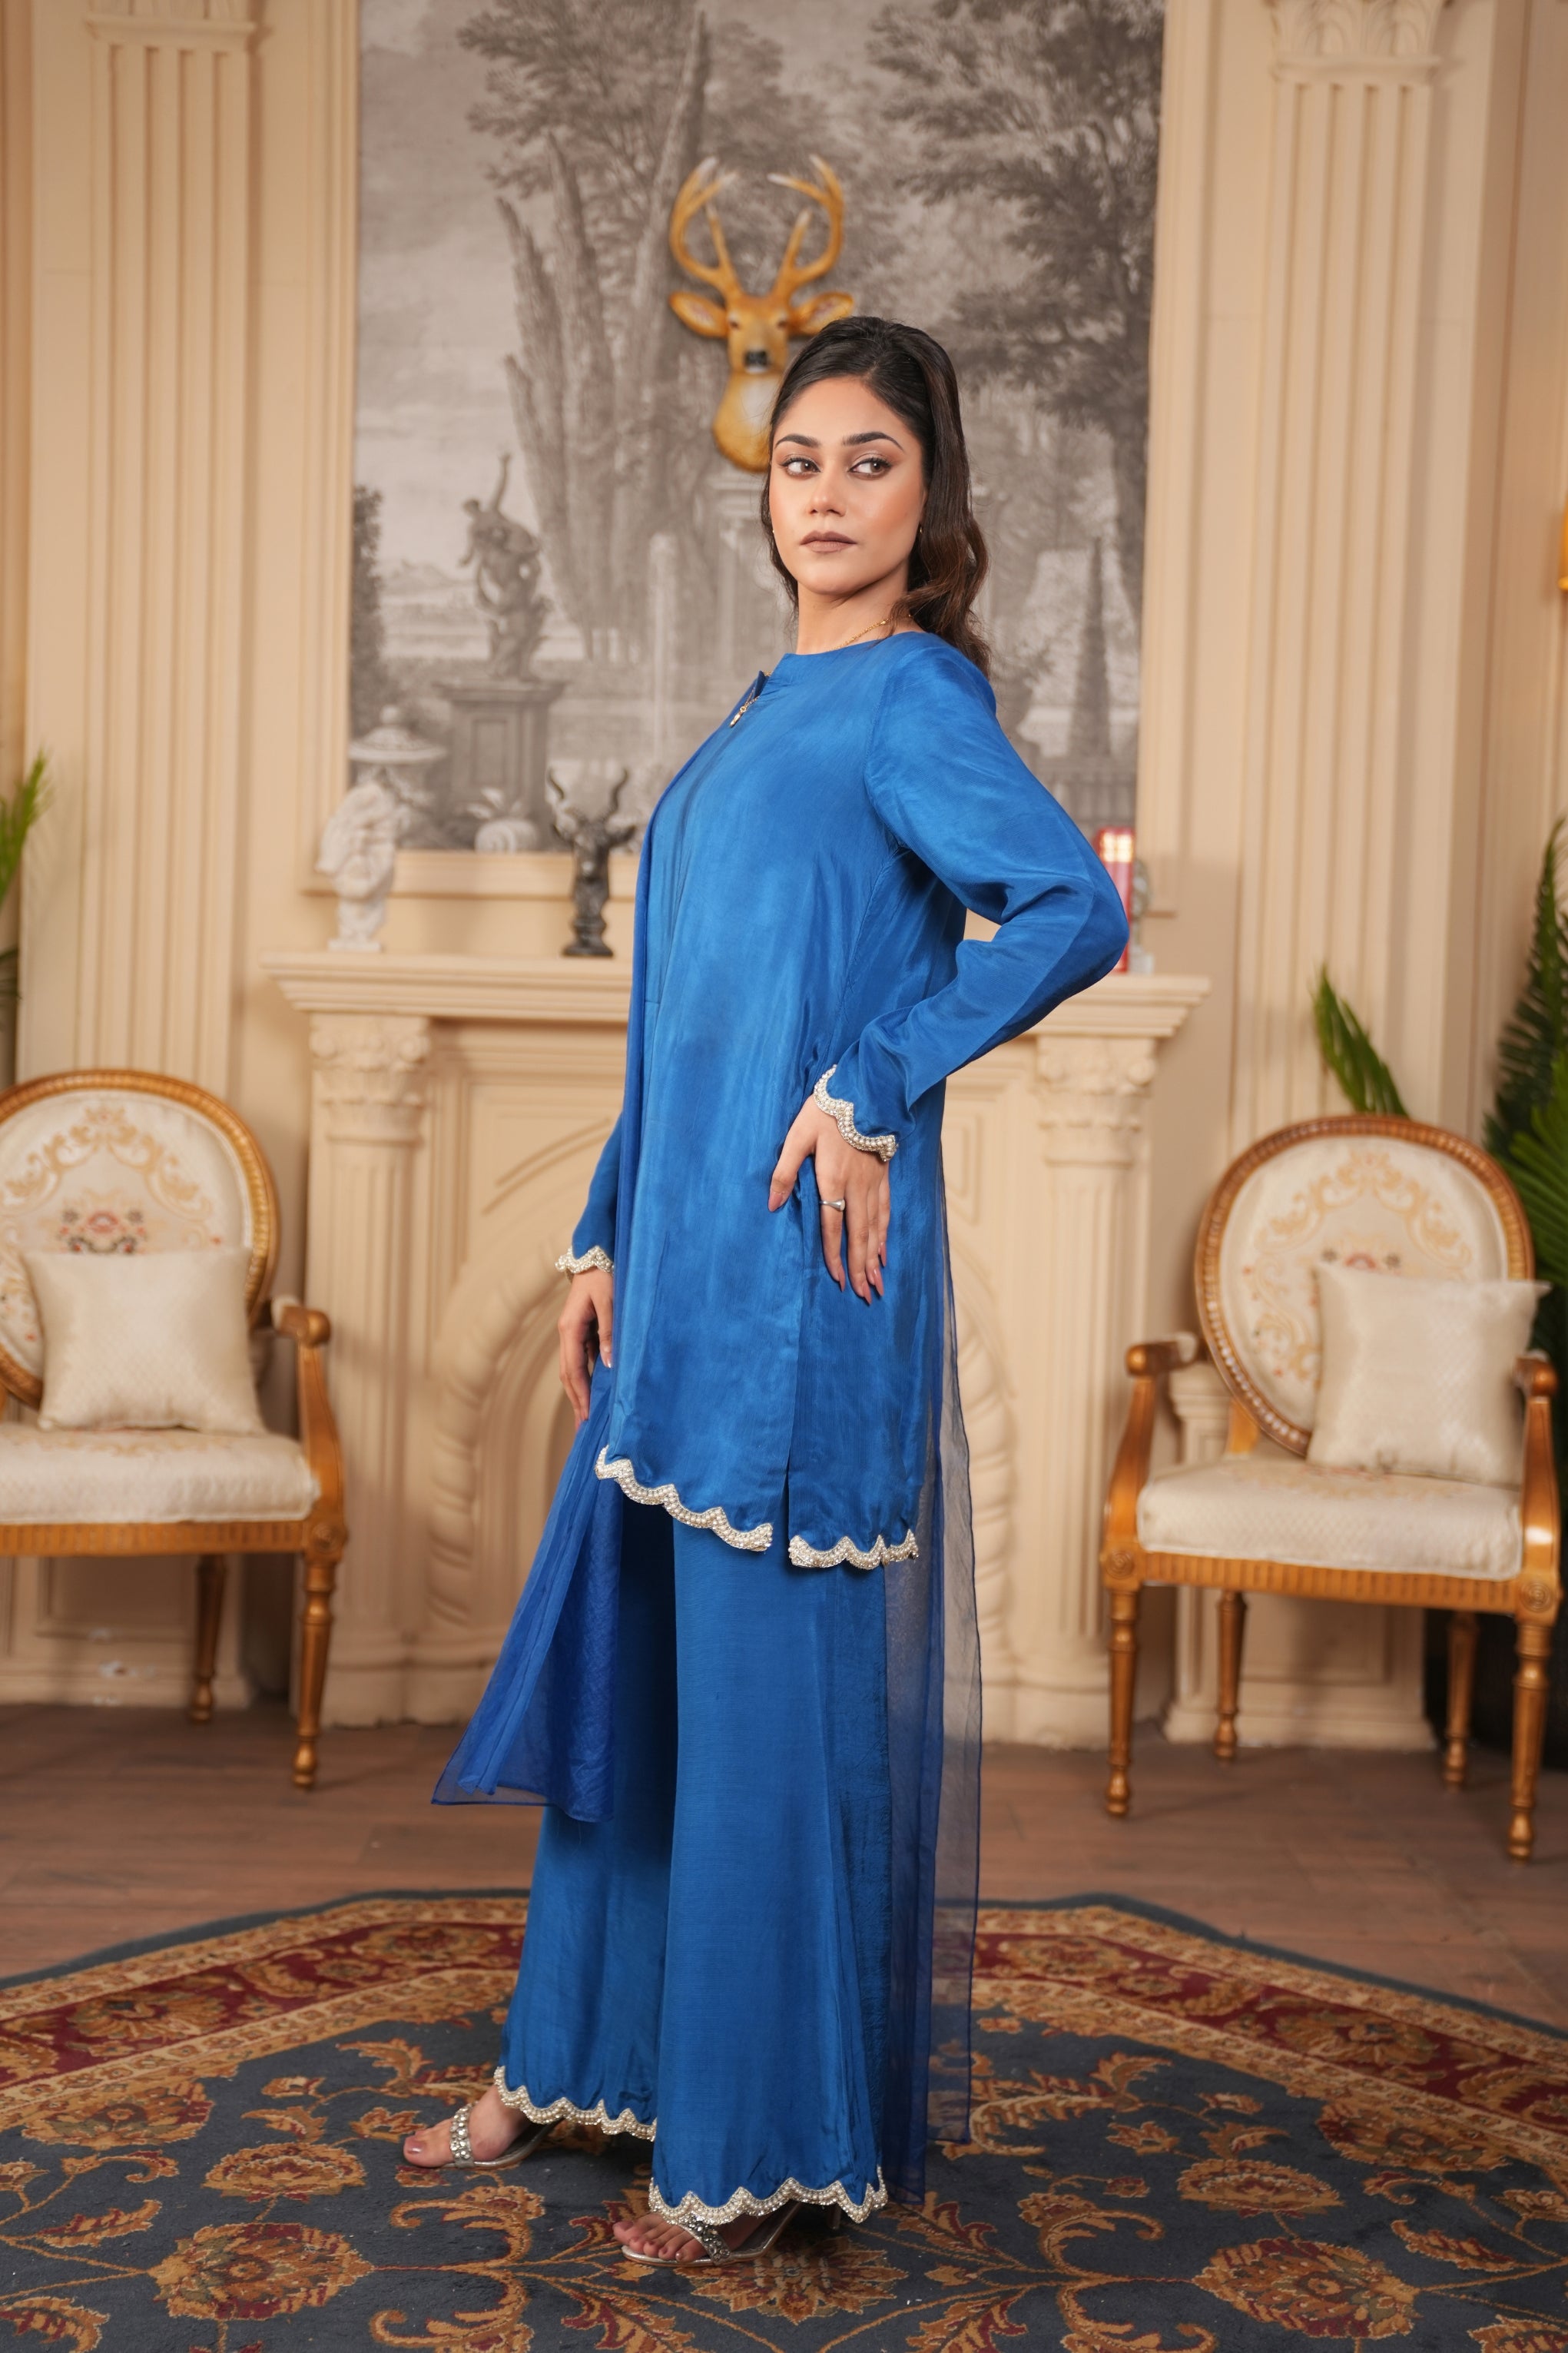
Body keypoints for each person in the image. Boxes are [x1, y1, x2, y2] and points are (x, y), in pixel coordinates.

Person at [403, 317, 1129, 2265]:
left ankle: (738, 2155)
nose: (826, 495)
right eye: (800, 461)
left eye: (869, 461)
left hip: (803, 1291)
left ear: (930, 491)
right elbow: (687, 1023)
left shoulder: (909, 702)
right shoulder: (756, 712)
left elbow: (1073, 908)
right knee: (638, 1696)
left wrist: (873, 1082)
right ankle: (575, 2066)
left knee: (750, 1727)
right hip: (682, 1283)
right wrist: (602, 1235)